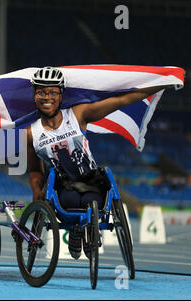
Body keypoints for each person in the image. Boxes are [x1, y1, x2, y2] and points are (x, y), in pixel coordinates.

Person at [26, 66, 167, 259]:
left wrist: (162, 81)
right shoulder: (30, 133)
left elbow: (120, 100)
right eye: (41, 92)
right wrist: (36, 191)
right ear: (34, 95)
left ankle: (89, 233)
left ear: (61, 95)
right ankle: (77, 231)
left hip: (93, 183)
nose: (46, 97)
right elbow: (35, 171)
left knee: (91, 202)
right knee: (73, 204)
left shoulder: (78, 114)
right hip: (64, 189)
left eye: (52, 92)